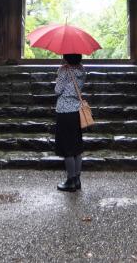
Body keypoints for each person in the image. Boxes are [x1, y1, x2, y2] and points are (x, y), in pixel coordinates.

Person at [54, 53, 85, 192]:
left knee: (67, 147)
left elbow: (57, 90)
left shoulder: (63, 70)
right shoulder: (82, 70)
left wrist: (59, 75)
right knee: (77, 146)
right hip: (77, 110)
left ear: (66, 57)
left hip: (64, 111)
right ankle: (77, 179)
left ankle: (70, 180)